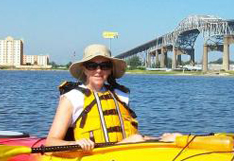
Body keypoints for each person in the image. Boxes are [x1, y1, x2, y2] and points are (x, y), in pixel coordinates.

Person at [46, 44, 180, 150]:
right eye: (92, 66)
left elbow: (129, 135)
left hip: (126, 151)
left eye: (104, 66)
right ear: (85, 69)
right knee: (136, 140)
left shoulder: (120, 96)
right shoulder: (72, 98)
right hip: (96, 156)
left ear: (110, 70)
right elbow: (51, 142)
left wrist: (159, 138)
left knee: (175, 137)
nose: (98, 70)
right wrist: (77, 144)